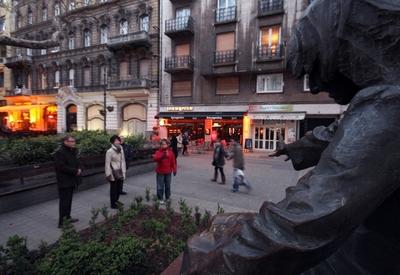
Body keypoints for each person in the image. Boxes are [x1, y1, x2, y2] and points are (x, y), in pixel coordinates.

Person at [180, 0, 400, 274]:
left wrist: (217, 260)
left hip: (363, 258)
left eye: (316, 69)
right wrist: (295, 147)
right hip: (365, 246)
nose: (317, 86)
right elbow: (338, 134)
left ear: (342, 51)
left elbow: (311, 216)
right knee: (226, 224)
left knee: (216, 238)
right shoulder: (380, 99)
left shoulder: (389, 105)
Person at [54, 135, 82, 228]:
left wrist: (78, 168)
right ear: (65, 142)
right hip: (64, 181)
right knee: (64, 202)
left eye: (74, 141)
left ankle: (68, 218)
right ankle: (62, 223)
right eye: (71, 141)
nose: (73, 143)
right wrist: (75, 171)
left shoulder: (72, 151)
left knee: (68, 201)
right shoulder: (60, 152)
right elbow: (61, 167)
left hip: (71, 180)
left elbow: (75, 162)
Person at [105, 135, 126, 209]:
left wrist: (124, 172)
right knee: (113, 189)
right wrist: (108, 174)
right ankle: (113, 203)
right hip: (113, 172)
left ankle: (116, 200)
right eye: (115, 141)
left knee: (118, 188)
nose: (117, 142)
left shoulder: (121, 149)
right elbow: (107, 163)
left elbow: (123, 161)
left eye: (118, 140)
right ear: (112, 142)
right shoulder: (109, 151)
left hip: (120, 171)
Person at [153, 139, 177, 204]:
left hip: (168, 172)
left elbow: (173, 162)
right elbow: (155, 159)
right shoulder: (158, 152)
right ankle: (160, 198)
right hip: (160, 172)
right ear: (160, 145)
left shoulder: (171, 152)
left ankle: (167, 198)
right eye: (162, 144)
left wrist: (174, 169)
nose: (163, 145)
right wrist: (163, 156)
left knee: (168, 186)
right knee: (160, 186)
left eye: (165, 144)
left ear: (167, 144)